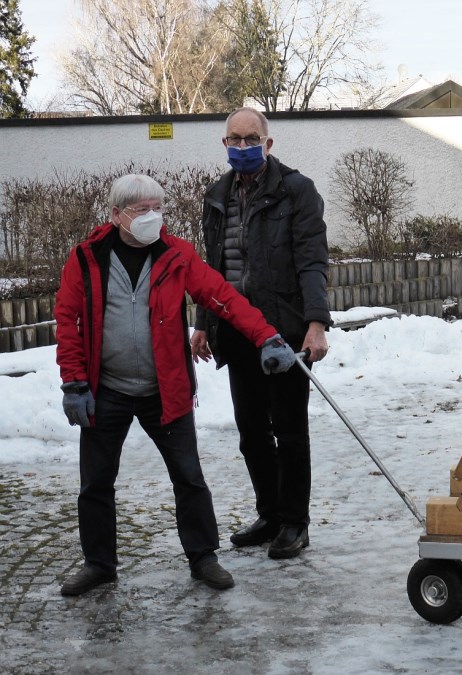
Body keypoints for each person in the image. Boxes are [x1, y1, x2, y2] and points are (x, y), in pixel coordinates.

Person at [54, 174, 297, 596]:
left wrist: (266, 336)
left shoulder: (176, 254)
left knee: (188, 477)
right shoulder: (87, 257)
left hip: (165, 390)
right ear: (116, 214)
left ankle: (203, 557)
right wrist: (73, 382)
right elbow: (67, 319)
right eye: (141, 210)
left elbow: (223, 297)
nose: (153, 217)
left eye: (158, 208)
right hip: (107, 389)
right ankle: (99, 564)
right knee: (95, 483)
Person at [190, 107, 330, 560]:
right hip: (236, 331)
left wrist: (316, 324)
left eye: (252, 139)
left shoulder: (296, 190)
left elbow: (312, 260)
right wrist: (203, 323)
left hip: (283, 330)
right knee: (251, 433)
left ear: (268, 144)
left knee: (289, 431)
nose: (244, 146)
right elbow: (212, 268)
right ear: (224, 143)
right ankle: (269, 514)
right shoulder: (216, 195)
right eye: (236, 139)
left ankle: (294, 522)